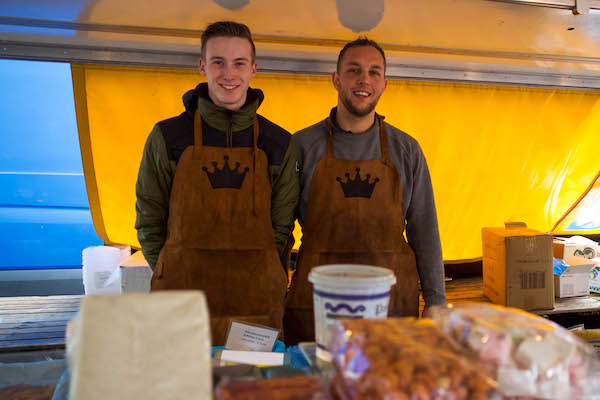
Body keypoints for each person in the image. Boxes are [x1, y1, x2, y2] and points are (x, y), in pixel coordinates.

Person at [135, 21, 299, 345]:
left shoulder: (278, 142)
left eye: (239, 63)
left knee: (251, 389)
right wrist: (174, 274)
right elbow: (149, 221)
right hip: (182, 302)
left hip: (256, 304)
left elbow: (282, 229)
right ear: (202, 66)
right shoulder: (167, 137)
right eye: (218, 62)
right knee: (183, 388)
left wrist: (259, 274)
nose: (229, 73)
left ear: (253, 69)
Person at [283, 37, 446, 345]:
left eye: (374, 72)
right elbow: (279, 231)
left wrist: (436, 301)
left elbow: (425, 230)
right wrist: (273, 293)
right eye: (353, 70)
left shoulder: (407, 150)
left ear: (384, 84)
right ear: (336, 79)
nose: (364, 80)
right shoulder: (300, 146)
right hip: (317, 308)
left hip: (391, 308)